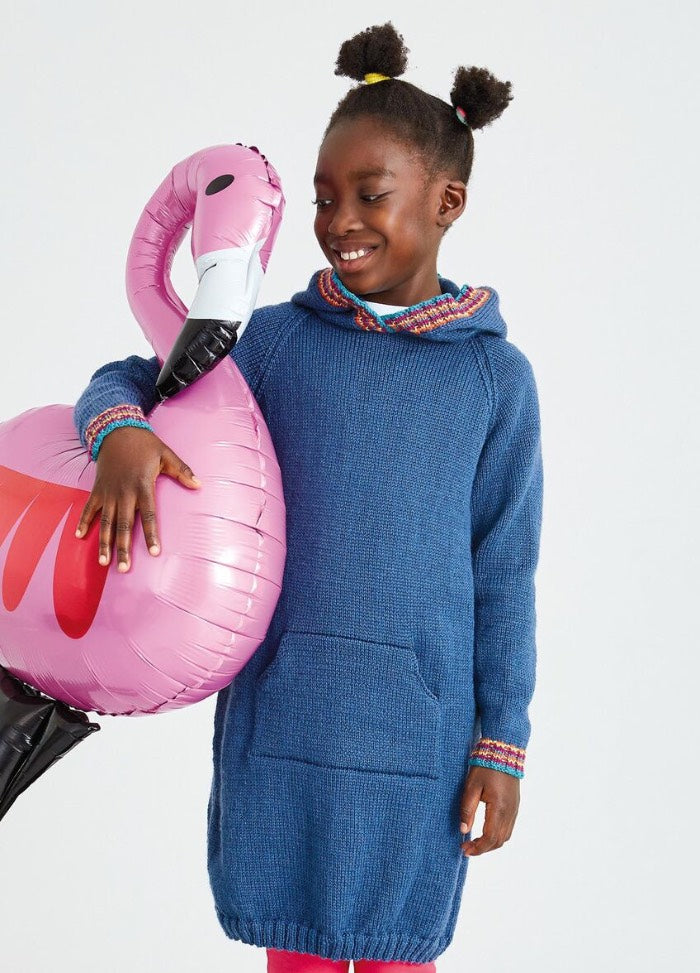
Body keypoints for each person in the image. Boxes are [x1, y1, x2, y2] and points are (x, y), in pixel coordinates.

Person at [72, 21, 544, 973]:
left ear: (447, 201)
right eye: (325, 197)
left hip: (422, 735)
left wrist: (502, 744)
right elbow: (126, 378)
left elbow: (504, 575)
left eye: (371, 194)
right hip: (288, 713)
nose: (340, 221)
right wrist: (119, 430)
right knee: (295, 950)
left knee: (400, 948)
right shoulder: (271, 346)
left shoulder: (495, 382)